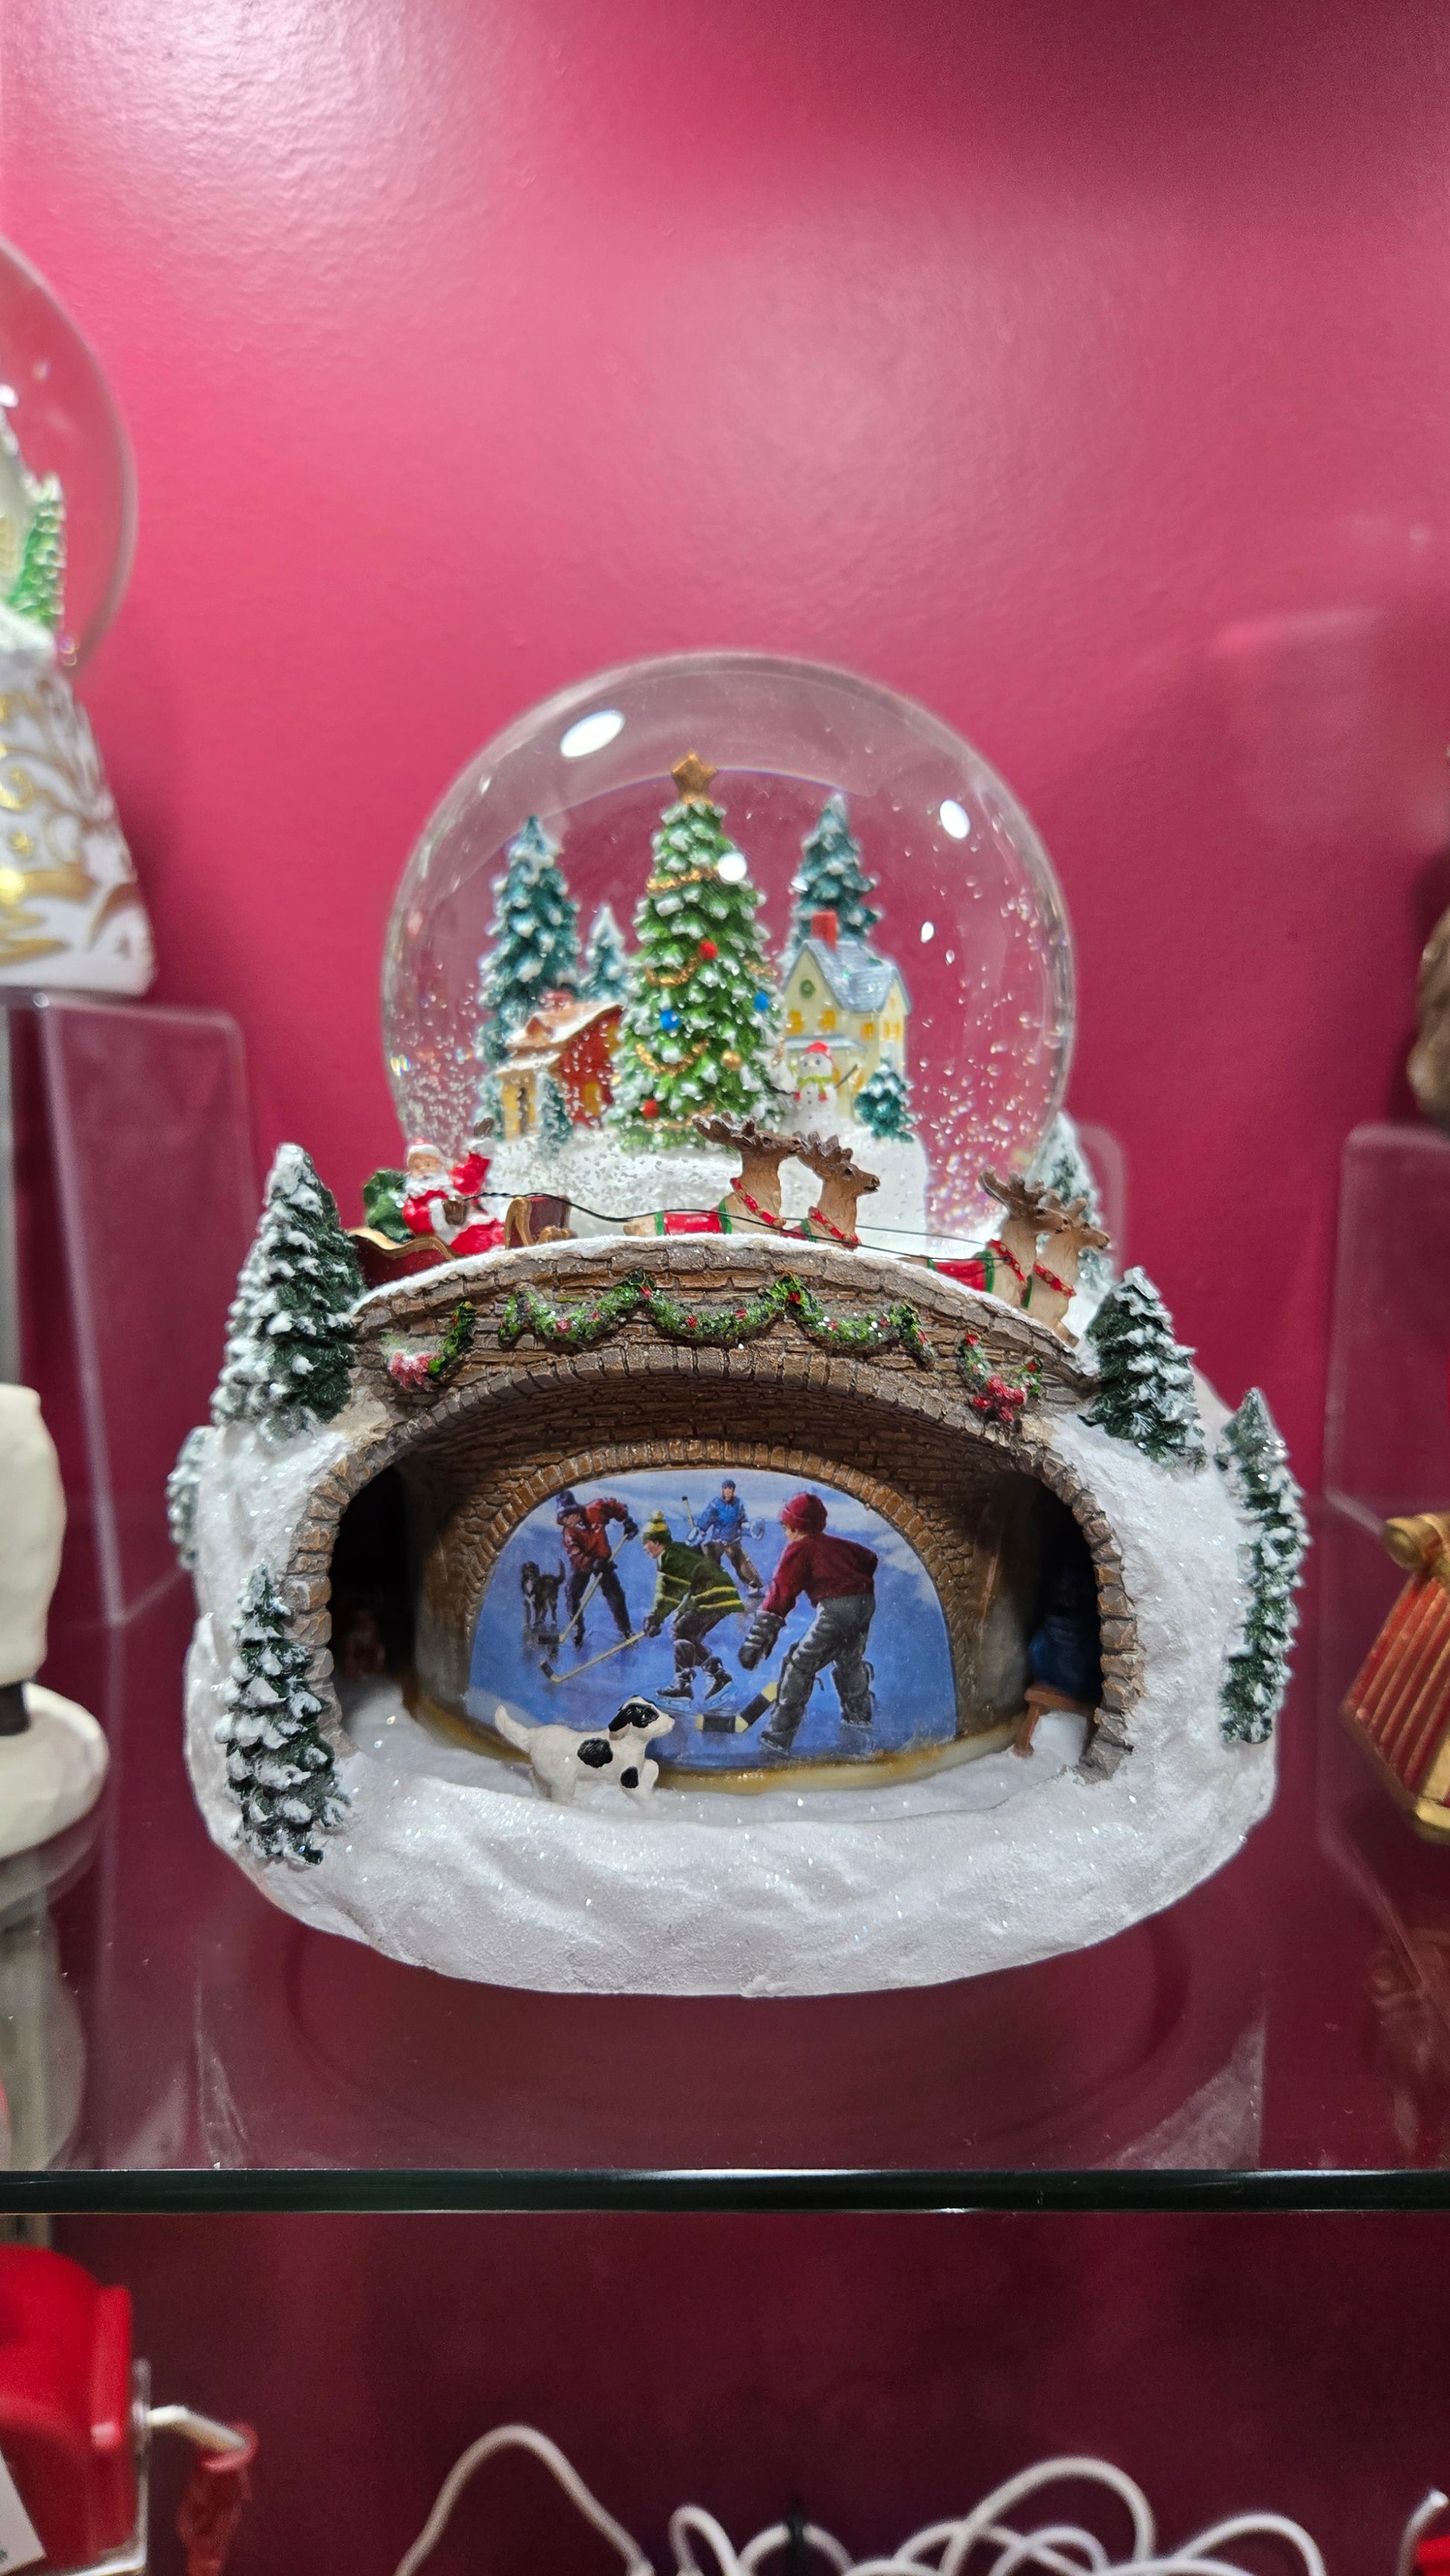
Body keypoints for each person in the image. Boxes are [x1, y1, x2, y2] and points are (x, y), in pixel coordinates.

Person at [738, 1491, 877, 1756]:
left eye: (786, 1527)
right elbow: (869, 1558)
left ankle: (778, 1736)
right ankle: (859, 1717)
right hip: (864, 1604)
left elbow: (781, 1594)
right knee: (849, 1660)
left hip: (836, 1610)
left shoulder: (799, 1549)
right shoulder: (839, 1545)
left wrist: (756, 1640)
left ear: (794, 1528)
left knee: (799, 1664)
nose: (785, 1533)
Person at [639, 1511, 744, 1704]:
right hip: (720, 1593)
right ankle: (718, 1675)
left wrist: (656, 1616)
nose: (644, 1548)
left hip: (711, 1595)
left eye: (647, 1542)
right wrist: (674, 1614)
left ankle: (683, 1687)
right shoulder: (679, 1549)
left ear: (658, 1541)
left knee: (680, 1631)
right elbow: (689, 1582)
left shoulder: (669, 1557)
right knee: (685, 1632)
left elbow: (669, 1592)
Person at [556, 1489, 638, 1646]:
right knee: (572, 1594)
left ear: (575, 1512)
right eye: (562, 1518)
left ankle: (626, 1631)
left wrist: (626, 1520)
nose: (565, 1521)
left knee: (615, 1595)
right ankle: (578, 1632)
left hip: (603, 1559)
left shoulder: (596, 1508)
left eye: (567, 1516)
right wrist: (592, 1564)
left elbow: (614, 1506)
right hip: (583, 1564)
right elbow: (576, 1555)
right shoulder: (569, 1534)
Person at [401, 1137, 504, 1257]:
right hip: (449, 1239)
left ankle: (502, 1243)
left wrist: (478, 1155)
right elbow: (413, 1217)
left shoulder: (450, 1181)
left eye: (428, 1164)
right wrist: (437, 1212)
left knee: (495, 1228)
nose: (423, 1170)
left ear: (439, 1164)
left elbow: (471, 1174)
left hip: (470, 1221)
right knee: (475, 1239)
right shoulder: (415, 1197)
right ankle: (493, 1250)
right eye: (416, 1167)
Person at [691, 1479, 762, 1591]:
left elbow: (742, 1520)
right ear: (722, 1490)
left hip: (732, 1540)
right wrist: (699, 1530)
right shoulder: (716, 1504)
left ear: (733, 1490)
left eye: (730, 1488)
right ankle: (710, 1582)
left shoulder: (738, 1504)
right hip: (718, 1540)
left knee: (741, 1562)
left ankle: (753, 1584)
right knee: (709, 1557)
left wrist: (750, 1529)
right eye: (726, 1488)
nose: (728, 1491)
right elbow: (707, 1517)